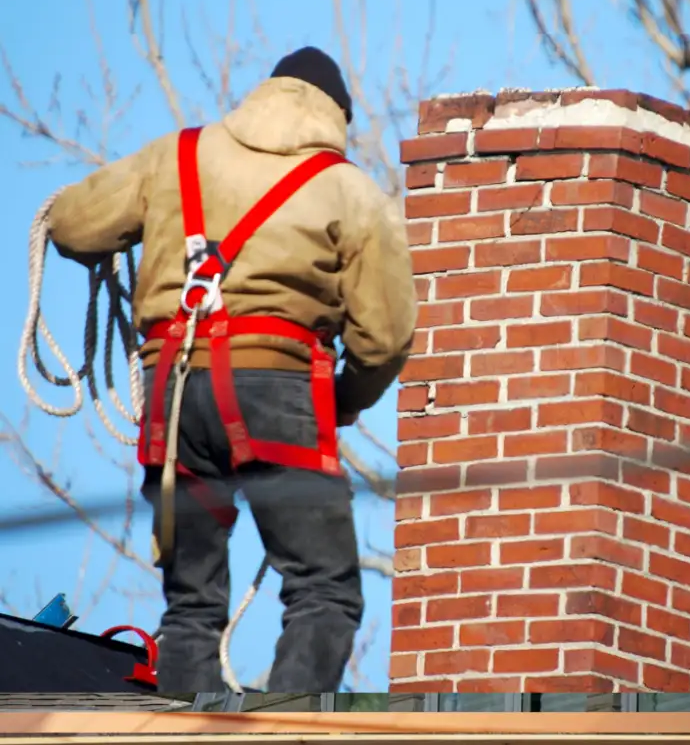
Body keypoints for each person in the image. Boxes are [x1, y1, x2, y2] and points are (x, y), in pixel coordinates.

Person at [46, 46, 417, 693]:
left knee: (190, 603)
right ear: (337, 117)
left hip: (174, 391)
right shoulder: (349, 189)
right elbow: (383, 339)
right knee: (322, 589)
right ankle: (284, 730)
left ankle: (181, 730)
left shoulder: (175, 156)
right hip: (276, 390)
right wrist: (345, 398)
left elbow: (73, 225)